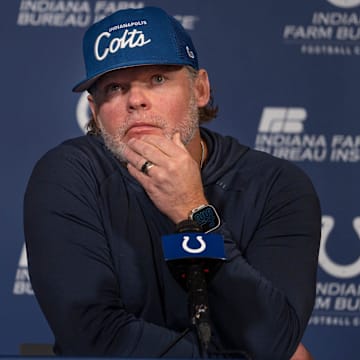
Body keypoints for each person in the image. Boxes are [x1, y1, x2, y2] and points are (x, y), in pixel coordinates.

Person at [24, 6, 321, 360]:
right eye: (115, 87)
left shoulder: (276, 186)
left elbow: (271, 342)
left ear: (201, 89)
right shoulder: (69, 176)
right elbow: (94, 339)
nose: (136, 100)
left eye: (157, 79)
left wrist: (193, 211)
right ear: (95, 111)